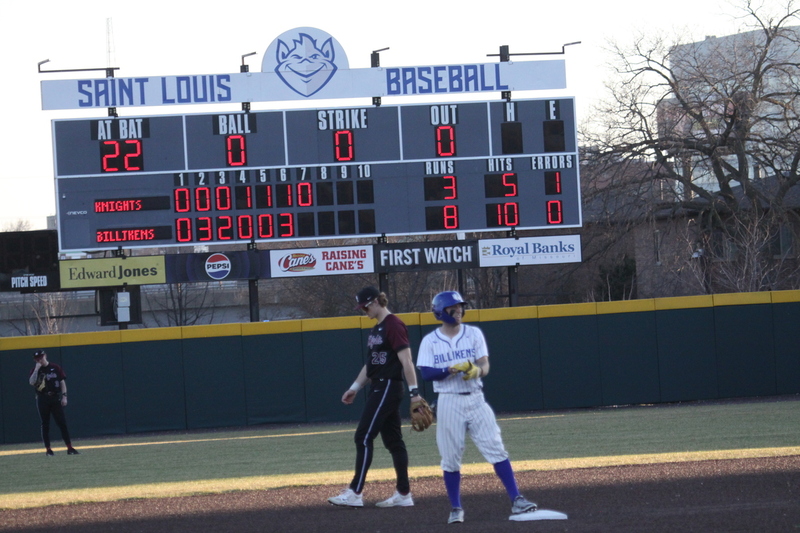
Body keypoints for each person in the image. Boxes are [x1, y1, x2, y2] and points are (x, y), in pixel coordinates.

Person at [416, 291, 537, 524]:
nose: (459, 310)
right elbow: (427, 373)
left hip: (476, 398)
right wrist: (450, 369)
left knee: (496, 448)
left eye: (461, 306)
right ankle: (455, 508)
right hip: (448, 400)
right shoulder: (430, 341)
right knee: (450, 457)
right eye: (454, 307)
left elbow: (485, 365)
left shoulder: (473, 333)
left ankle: (517, 499)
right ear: (441, 311)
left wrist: (477, 371)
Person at [328, 286, 421, 509]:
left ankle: (355, 492)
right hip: (380, 385)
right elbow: (371, 365)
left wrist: (415, 394)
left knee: (363, 436)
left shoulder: (394, 325)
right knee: (393, 442)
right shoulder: (376, 328)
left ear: (378, 301)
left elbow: (407, 361)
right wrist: (355, 387)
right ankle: (404, 493)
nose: (364, 310)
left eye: (366, 306)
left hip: (389, 386)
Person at [28, 350, 79, 456]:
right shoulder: (35, 370)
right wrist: (37, 369)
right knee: (45, 424)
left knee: (62, 423)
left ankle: (69, 448)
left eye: (41, 358)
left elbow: (62, 382)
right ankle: (48, 450)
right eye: (37, 359)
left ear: (45, 356)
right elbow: (32, 382)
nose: (39, 360)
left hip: (55, 397)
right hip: (42, 398)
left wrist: (64, 396)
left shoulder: (55, 367)